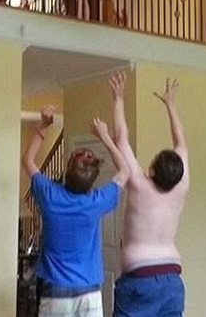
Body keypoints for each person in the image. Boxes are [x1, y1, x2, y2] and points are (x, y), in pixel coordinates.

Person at [21, 105, 129, 317]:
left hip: (55, 291)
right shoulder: (96, 202)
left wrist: (43, 126)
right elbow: (125, 171)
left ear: (67, 168)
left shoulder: (49, 195)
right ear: (93, 179)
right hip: (89, 291)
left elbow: (28, 161)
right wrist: (105, 137)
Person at [108, 71, 189, 317]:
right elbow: (181, 142)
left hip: (139, 280)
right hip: (173, 280)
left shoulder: (139, 185)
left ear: (152, 170)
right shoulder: (182, 184)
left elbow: (121, 139)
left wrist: (119, 98)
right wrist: (171, 105)